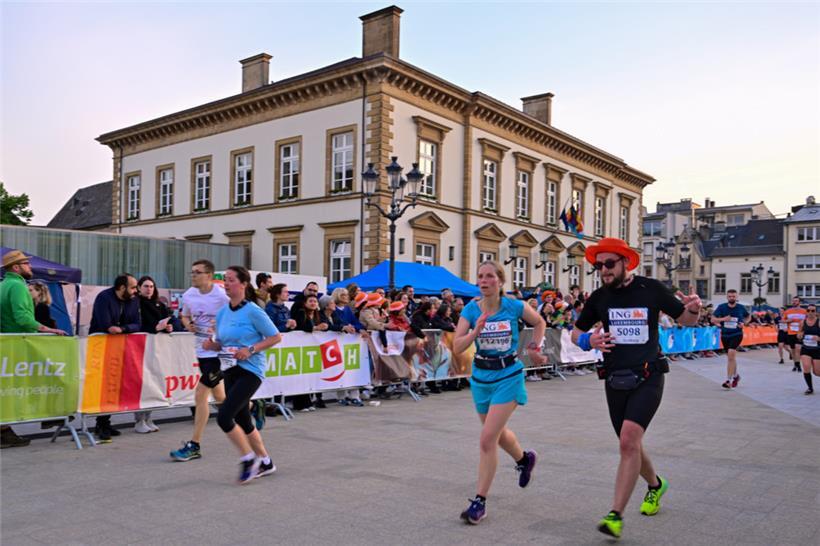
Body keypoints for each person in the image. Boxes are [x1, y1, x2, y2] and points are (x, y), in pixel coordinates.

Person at [571, 238, 702, 539]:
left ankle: (615, 515)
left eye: (609, 263)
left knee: (628, 441)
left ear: (625, 262)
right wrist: (588, 340)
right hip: (615, 379)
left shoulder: (650, 289)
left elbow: (686, 319)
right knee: (631, 444)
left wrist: (694, 309)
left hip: (648, 375)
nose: (603, 270)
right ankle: (655, 485)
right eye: (598, 265)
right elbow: (576, 332)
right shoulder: (599, 297)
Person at [452, 260, 546, 525]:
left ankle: (479, 502)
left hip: (509, 376)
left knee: (487, 439)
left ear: (500, 281)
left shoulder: (514, 306)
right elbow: (457, 346)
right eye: (480, 276)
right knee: (497, 432)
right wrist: (476, 331)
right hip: (481, 379)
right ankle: (524, 459)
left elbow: (539, 322)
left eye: (489, 276)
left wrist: (534, 347)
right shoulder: (471, 310)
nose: (484, 281)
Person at [201, 266, 281, 483]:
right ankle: (266, 462)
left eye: (231, 280)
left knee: (224, 416)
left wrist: (251, 349)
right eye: (225, 280)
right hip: (230, 369)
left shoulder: (254, 311)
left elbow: (275, 337)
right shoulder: (222, 313)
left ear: (244, 284)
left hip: (251, 371)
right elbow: (222, 343)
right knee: (243, 419)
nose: (226, 284)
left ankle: (248, 459)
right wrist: (212, 345)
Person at [0, 250, 67, 448]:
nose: (30, 267)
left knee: (8, 389)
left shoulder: (4, 285)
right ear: (16, 267)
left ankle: (5, 431)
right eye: (26, 264)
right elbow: (22, 318)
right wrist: (48, 329)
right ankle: (51, 415)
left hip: (9, 344)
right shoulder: (18, 286)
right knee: (43, 378)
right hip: (19, 344)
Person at [170, 259, 229, 461]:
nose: (193, 275)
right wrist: (188, 325)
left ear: (209, 275)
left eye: (197, 272)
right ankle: (253, 406)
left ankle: (194, 445)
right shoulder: (189, 295)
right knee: (221, 398)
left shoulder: (221, 297)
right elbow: (184, 316)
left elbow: (234, 319)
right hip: (201, 351)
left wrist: (219, 329)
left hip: (219, 354)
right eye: (192, 272)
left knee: (200, 394)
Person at [88, 273, 140, 442]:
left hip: (120, 346)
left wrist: (123, 329)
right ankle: (101, 423)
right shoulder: (104, 298)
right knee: (103, 385)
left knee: (114, 385)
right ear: (122, 287)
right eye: (133, 287)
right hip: (100, 346)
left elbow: (137, 324)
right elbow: (106, 325)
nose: (136, 290)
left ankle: (104, 422)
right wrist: (118, 328)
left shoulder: (133, 300)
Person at [135, 275, 173, 433]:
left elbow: (169, 319)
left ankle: (148, 417)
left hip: (157, 348)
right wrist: (155, 328)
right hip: (142, 347)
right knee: (144, 383)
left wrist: (169, 327)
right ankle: (139, 420)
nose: (149, 289)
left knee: (154, 383)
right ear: (139, 288)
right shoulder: (136, 303)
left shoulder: (159, 304)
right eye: (146, 286)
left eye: (151, 286)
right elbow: (138, 325)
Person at [711, 289, 750, 389]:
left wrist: (744, 323)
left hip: (737, 334)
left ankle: (728, 380)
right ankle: (736, 376)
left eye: (733, 296)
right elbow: (712, 319)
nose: (732, 298)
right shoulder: (722, 307)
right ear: (727, 297)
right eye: (730, 296)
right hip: (725, 335)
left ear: (736, 297)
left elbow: (748, 316)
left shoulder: (741, 307)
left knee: (731, 355)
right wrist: (723, 319)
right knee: (730, 358)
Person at [797, 305, 820, 395]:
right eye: (808, 310)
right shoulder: (802, 322)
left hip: (817, 349)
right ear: (806, 312)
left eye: (812, 311)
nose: (810, 312)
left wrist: (818, 338)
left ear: (816, 312)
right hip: (806, 348)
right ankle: (810, 388)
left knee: (817, 372)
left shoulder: (818, 322)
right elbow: (799, 333)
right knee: (806, 367)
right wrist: (799, 335)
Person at [783, 298, 806, 372]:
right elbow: (783, 320)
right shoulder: (788, 311)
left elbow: (807, 321)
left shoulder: (804, 311)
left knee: (798, 348)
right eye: (793, 301)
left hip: (799, 333)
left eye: (796, 301)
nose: (794, 302)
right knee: (793, 350)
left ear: (799, 302)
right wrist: (788, 321)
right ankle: (795, 364)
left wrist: (803, 330)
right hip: (790, 333)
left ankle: (798, 365)